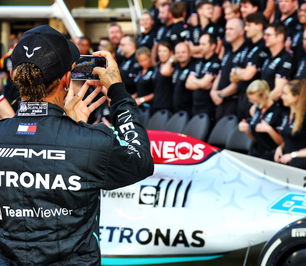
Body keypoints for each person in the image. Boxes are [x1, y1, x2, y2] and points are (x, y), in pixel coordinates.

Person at [0, 25, 153, 265]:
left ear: (15, 78)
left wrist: (65, 128)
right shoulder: (91, 141)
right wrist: (119, 93)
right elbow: (141, 161)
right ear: (66, 79)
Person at [274, 79, 306, 170]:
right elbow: (288, 139)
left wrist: (293, 155)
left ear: (296, 97)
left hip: (299, 161)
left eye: (285, 94)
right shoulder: (285, 114)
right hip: (285, 158)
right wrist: (280, 148)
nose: (281, 96)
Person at [238, 80, 283, 160]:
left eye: (256, 101)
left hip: (270, 155)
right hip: (256, 152)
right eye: (251, 100)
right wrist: (247, 130)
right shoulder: (257, 109)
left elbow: (283, 142)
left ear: (264, 96)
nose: (253, 103)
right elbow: (255, 137)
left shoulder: (278, 111)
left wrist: (269, 130)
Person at [186, 33, 221, 118]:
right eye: (200, 44)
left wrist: (195, 81)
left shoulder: (216, 61)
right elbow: (187, 84)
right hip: (195, 105)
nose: (200, 47)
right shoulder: (198, 61)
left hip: (208, 107)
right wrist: (201, 83)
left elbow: (204, 83)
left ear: (212, 46)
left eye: (203, 44)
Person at [261, 22, 294, 101]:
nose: (264, 37)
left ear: (280, 37)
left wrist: (261, 104)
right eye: (265, 34)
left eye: (268, 35)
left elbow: (278, 90)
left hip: (276, 108)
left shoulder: (286, 59)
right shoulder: (268, 57)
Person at [172, 42, 195, 114]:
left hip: (188, 111)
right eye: (178, 53)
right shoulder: (175, 66)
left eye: (183, 52)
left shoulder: (194, 66)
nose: (180, 55)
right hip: (175, 110)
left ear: (190, 53)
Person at [152, 41, 175, 113]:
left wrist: (171, 59)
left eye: (164, 51)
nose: (161, 54)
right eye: (159, 51)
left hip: (166, 106)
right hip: (155, 104)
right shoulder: (157, 66)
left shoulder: (172, 65)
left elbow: (165, 72)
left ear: (171, 52)